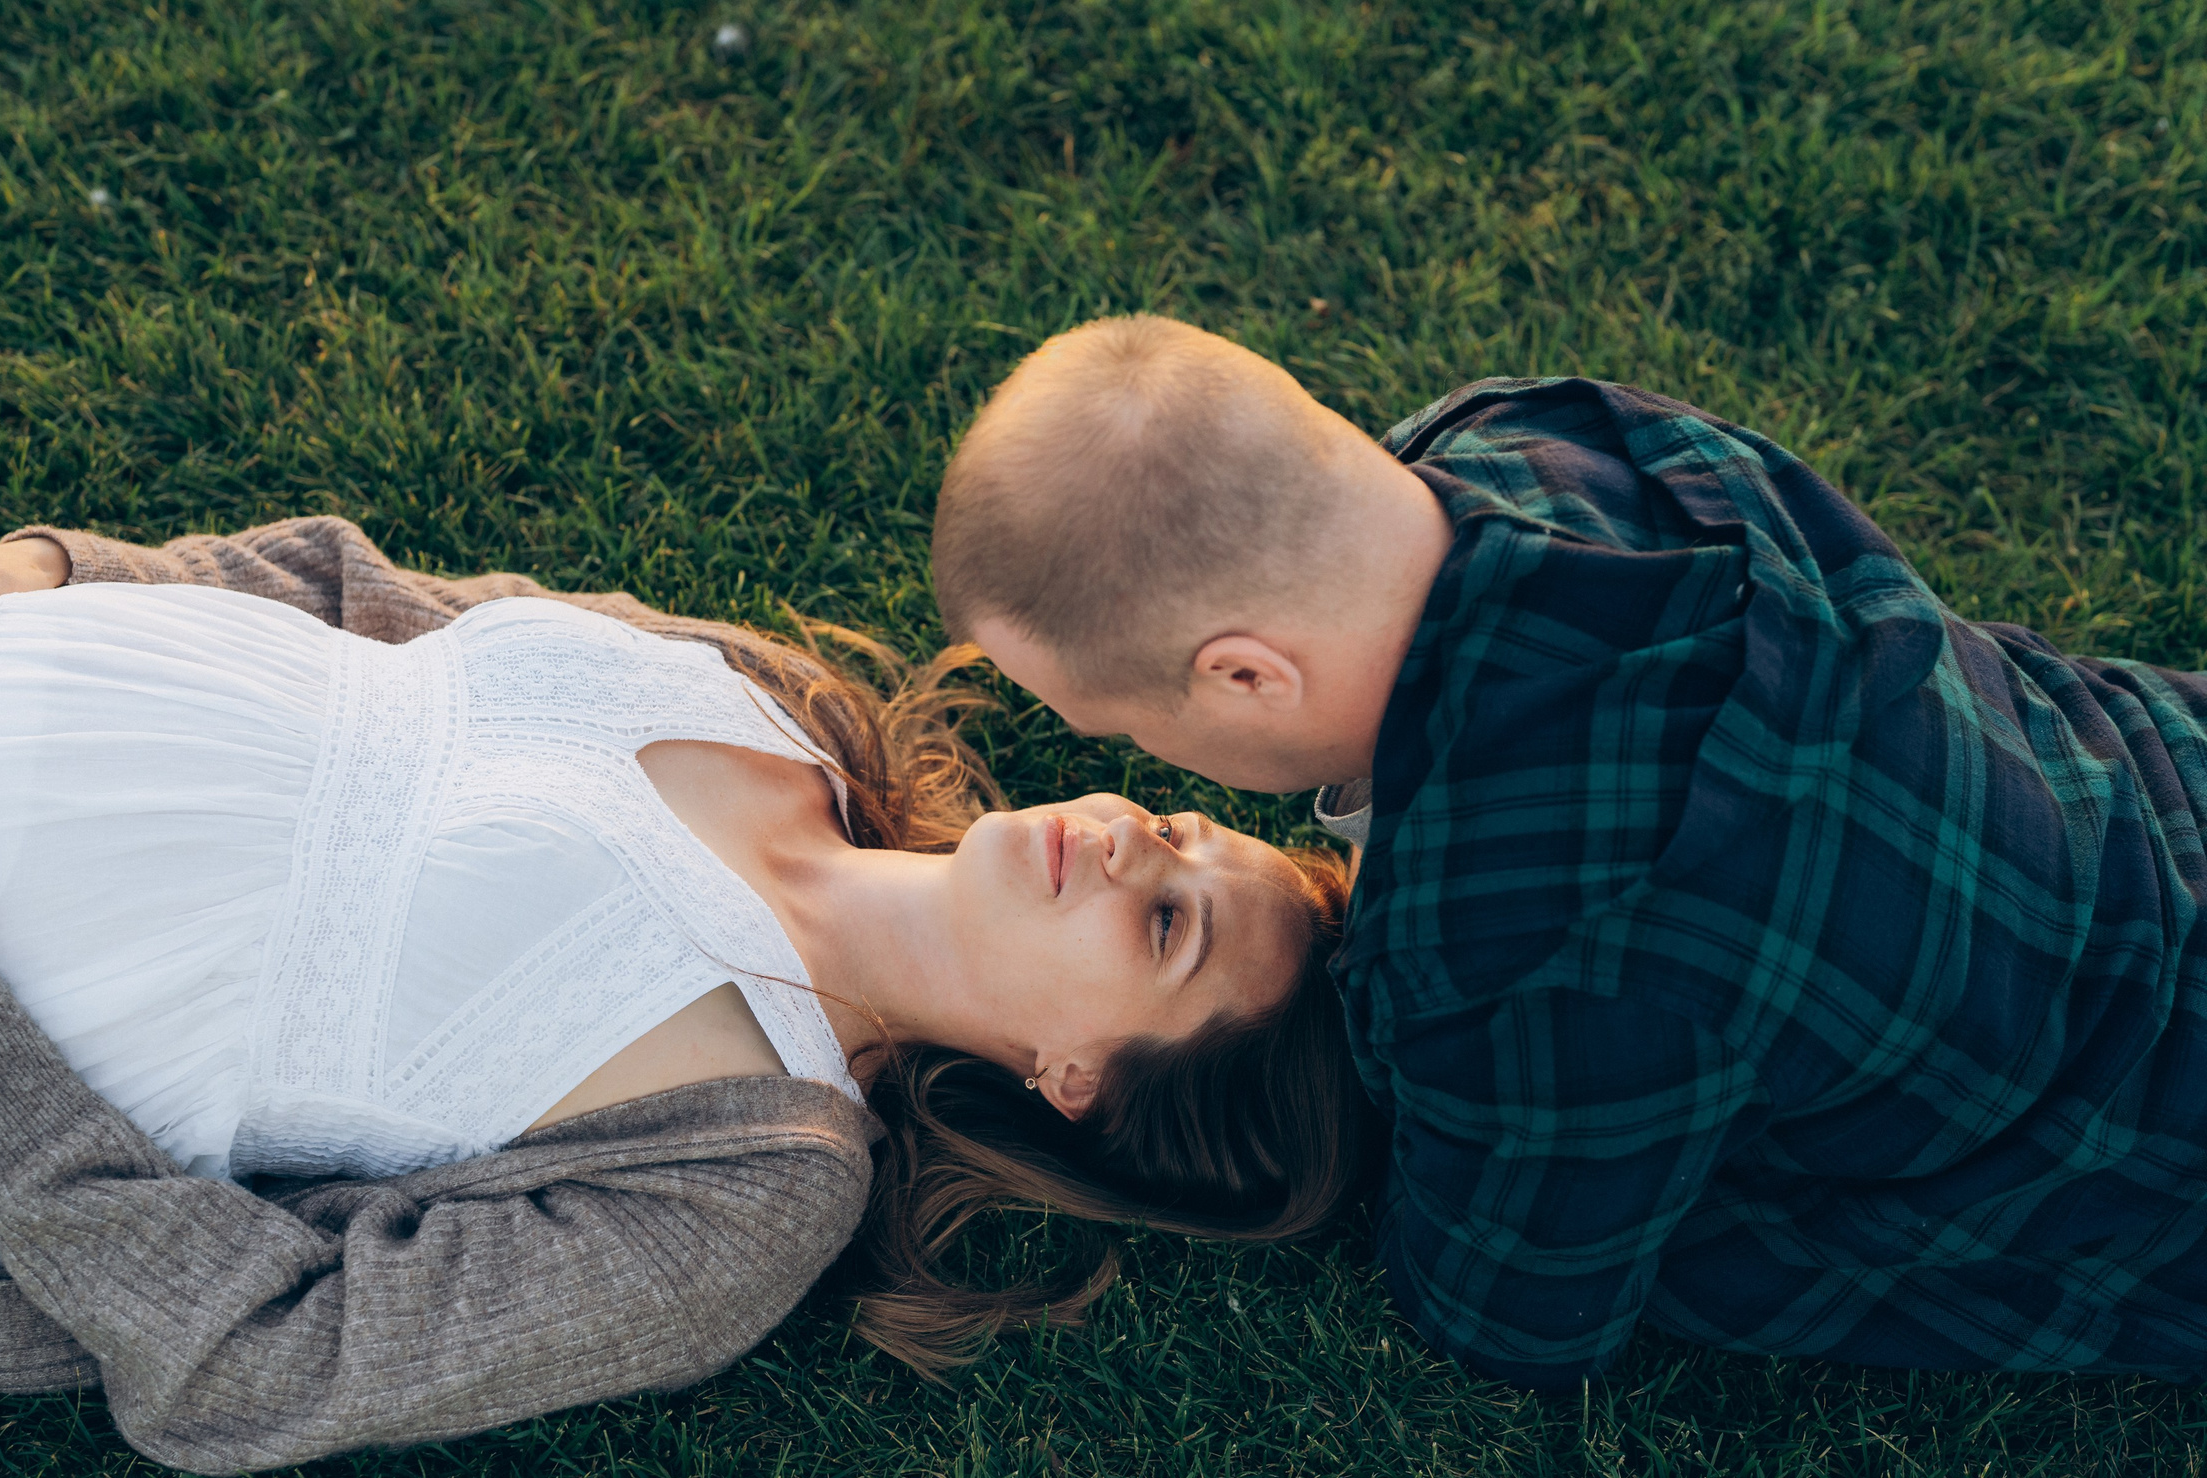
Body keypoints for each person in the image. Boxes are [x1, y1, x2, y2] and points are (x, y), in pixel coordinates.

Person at [0, 516, 1362, 1473]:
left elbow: (262, 1364)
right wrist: (46, 574)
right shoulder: (778, 705)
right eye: (1192, 831)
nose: (1142, 835)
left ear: (1076, 1076)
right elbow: (337, 592)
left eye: (1166, 930)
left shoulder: (748, 1190)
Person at [932, 312, 2207, 1391]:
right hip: (2153, 783)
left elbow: (1508, 1310)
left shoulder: (1508, 958)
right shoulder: (1561, 433)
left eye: (1118, 720)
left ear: (1246, 674)